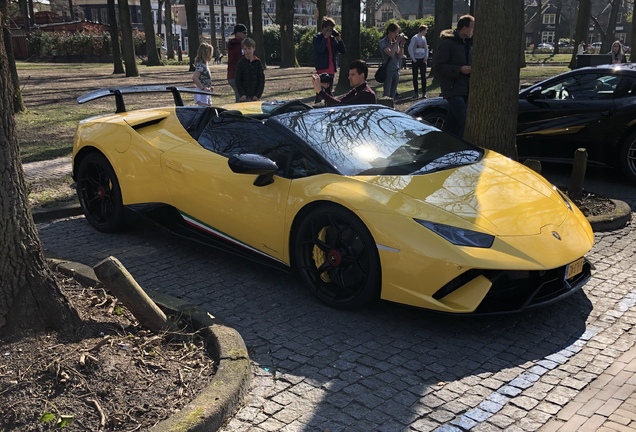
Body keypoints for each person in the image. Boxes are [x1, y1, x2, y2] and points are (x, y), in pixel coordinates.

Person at [433, 14, 475, 139]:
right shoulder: (448, 44)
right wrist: (459, 70)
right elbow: (438, 66)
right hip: (453, 89)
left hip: (464, 88)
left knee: (453, 122)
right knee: (463, 119)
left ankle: (447, 143)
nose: (473, 30)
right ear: (464, 28)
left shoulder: (467, 44)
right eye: (472, 27)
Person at [312, 59, 376, 106]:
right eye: (349, 74)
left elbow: (340, 105)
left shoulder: (367, 94)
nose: (349, 77)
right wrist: (327, 88)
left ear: (362, 76)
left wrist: (320, 91)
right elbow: (337, 102)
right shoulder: (356, 91)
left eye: (352, 75)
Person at [313, 17, 346, 103]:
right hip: (322, 69)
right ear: (324, 28)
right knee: (320, 93)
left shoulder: (332, 39)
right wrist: (325, 38)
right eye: (329, 29)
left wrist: (339, 39)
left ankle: (328, 107)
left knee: (329, 93)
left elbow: (343, 51)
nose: (331, 31)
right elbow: (320, 50)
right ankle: (317, 108)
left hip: (331, 70)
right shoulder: (317, 38)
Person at [379, 23, 407, 99]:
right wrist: (397, 42)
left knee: (393, 94)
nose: (396, 34)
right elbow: (391, 53)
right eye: (395, 32)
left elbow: (400, 56)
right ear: (389, 31)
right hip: (388, 70)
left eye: (398, 32)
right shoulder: (383, 42)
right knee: (387, 94)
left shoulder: (395, 42)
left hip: (396, 70)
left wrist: (401, 45)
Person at [235, 38, 265, 102]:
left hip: (255, 96)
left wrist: (257, 95)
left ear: (253, 48)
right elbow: (238, 80)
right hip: (244, 97)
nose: (247, 51)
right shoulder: (240, 63)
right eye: (245, 49)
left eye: (249, 48)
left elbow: (261, 80)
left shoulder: (258, 63)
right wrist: (242, 94)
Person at [227, 23, 248, 102]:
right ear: (237, 33)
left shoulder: (232, 44)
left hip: (231, 75)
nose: (246, 35)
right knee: (241, 98)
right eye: (244, 33)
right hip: (237, 75)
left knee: (239, 97)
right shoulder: (239, 46)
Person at [408, 25, 429, 99]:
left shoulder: (424, 38)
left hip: (422, 59)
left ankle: (424, 92)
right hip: (416, 59)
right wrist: (413, 58)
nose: (426, 32)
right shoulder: (415, 38)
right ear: (422, 30)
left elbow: (426, 48)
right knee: (415, 76)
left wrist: (426, 57)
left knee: (423, 76)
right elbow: (410, 48)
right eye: (425, 30)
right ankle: (416, 93)